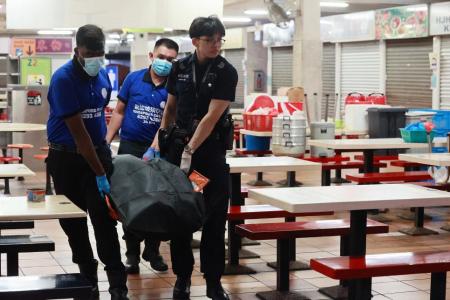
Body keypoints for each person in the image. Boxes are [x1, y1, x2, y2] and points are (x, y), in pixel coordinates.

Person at [151, 16, 237, 300]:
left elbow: (212, 118)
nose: (216, 45)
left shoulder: (226, 71)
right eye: (210, 40)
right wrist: (163, 142)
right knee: (180, 217)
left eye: (219, 40)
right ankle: (183, 278)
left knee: (214, 219)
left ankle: (213, 282)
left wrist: (191, 151)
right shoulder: (180, 68)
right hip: (179, 154)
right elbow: (171, 108)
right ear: (195, 41)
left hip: (209, 156)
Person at [46, 24, 128, 300]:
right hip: (67, 159)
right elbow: (79, 136)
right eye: (90, 53)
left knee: (105, 221)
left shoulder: (102, 75)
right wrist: (100, 172)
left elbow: (97, 122)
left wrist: (104, 152)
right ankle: (88, 280)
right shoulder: (63, 80)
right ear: (76, 51)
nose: (96, 58)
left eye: (100, 52)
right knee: (74, 224)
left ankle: (118, 286)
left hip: (96, 154)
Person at [105, 38, 179, 274]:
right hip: (130, 148)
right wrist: (105, 142)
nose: (165, 63)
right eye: (162, 57)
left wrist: (156, 146)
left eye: (170, 59)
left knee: (159, 202)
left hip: (158, 151)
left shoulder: (174, 85)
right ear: (151, 55)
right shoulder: (133, 79)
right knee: (130, 202)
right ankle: (132, 254)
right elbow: (119, 112)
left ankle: (153, 250)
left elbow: (170, 121)